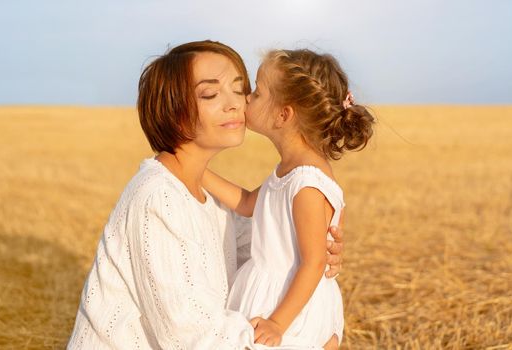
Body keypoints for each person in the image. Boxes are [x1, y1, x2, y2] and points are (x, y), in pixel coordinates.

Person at [67, 41, 344, 349]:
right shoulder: (158, 197)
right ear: (174, 111)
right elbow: (190, 336)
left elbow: (261, 248)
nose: (236, 104)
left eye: (240, 90)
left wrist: (315, 248)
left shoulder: (203, 196)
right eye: (211, 94)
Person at [202, 49, 374, 348]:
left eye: (257, 92)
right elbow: (247, 204)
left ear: (283, 114)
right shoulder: (290, 170)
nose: (246, 99)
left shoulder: (306, 183)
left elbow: (315, 262)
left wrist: (277, 323)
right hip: (278, 293)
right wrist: (196, 172)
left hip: (288, 304)